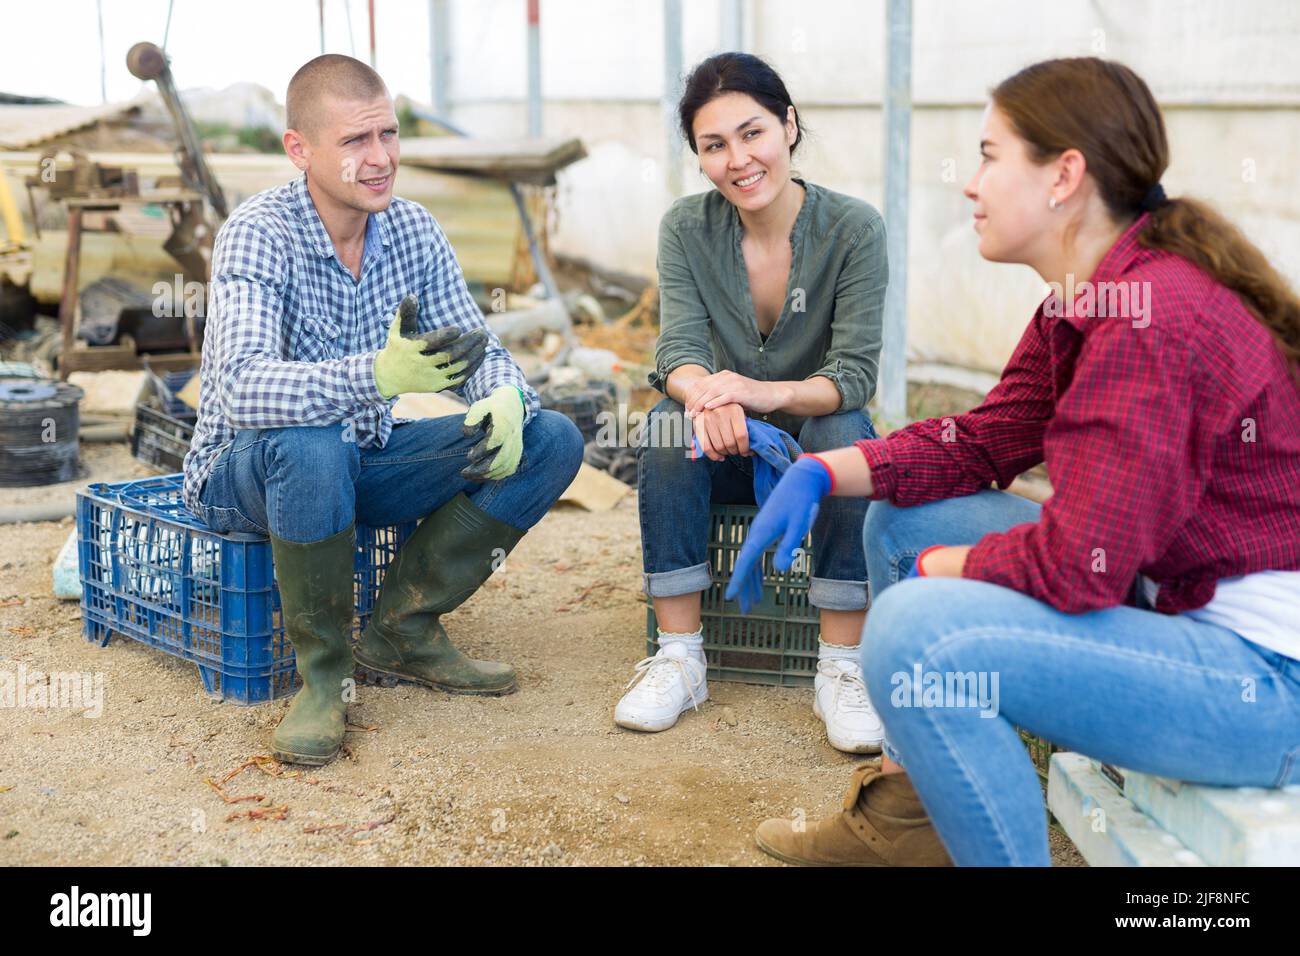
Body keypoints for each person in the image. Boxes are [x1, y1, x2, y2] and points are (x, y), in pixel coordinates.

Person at [734, 56, 1300, 866]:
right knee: (901, 521)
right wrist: (825, 471)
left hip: (1268, 684)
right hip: (1184, 616)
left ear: (1064, 175)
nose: (970, 184)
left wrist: (946, 566)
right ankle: (911, 821)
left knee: (913, 633)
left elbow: (1079, 568)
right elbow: (986, 440)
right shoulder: (1093, 295)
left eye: (991, 156)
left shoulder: (1149, 318)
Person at [182, 54, 584, 767]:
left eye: (389, 135)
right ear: (299, 149)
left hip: (361, 462)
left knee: (552, 438)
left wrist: (506, 395)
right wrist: (373, 374)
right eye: (355, 142)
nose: (380, 159)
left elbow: (477, 345)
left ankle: (401, 627)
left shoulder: (412, 231)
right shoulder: (258, 232)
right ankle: (325, 676)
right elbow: (242, 387)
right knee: (311, 440)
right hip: (246, 475)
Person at [616, 53, 890, 754]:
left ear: (788, 126)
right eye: (715, 145)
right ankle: (680, 656)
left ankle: (842, 666)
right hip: (727, 449)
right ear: (699, 156)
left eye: (753, 133)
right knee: (669, 424)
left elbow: (853, 374)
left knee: (842, 427)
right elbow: (675, 350)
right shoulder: (687, 228)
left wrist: (762, 391)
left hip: (813, 450)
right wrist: (706, 396)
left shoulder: (853, 229)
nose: (739, 159)